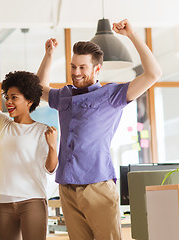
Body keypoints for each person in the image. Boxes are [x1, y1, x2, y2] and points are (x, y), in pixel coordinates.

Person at [36, 19, 162, 240]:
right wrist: (48, 56)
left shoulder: (111, 95)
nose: (76, 72)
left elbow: (153, 74)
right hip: (66, 186)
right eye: (73, 67)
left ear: (97, 69)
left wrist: (131, 35)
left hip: (98, 185)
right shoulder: (64, 94)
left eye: (82, 67)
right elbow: (38, 89)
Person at [0, 61, 58, 240]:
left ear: (29, 101)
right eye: (7, 97)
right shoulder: (3, 123)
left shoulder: (42, 130)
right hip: (4, 201)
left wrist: (52, 147)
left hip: (33, 200)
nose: (8, 102)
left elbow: (50, 169)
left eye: (14, 98)